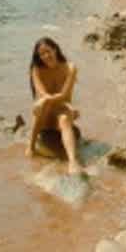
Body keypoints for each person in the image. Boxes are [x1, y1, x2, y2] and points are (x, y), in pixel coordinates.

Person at [26, 37, 83, 175]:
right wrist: (42, 101)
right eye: (41, 54)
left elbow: (64, 94)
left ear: (55, 49)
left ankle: (72, 161)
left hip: (61, 112)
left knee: (63, 118)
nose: (46, 56)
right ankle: (31, 146)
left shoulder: (70, 68)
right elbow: (42, 94)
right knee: (43, 106)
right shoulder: (36, 69)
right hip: (45, 115)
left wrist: (65, 106)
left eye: (48, 51)